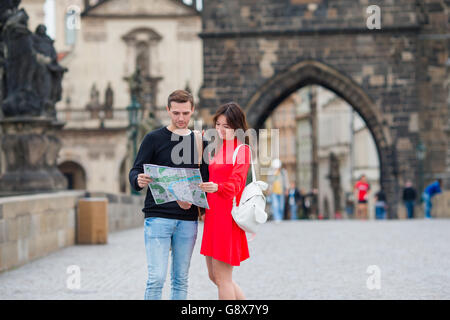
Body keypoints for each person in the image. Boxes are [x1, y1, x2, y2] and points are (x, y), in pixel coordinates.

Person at [129, 90, 209, 300]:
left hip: (187, 220)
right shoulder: (153, 138)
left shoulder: (200, 142)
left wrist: (191, 197)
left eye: (185, 113)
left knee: (180, 280)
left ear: (192, 110)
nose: (181, 118)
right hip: (158, 217)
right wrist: (138, 180)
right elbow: (135, 170)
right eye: (176, 113)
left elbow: (204, 181)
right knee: (156, 278)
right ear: (168, 111)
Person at [198, 102, 251, 300]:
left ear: (237, 127)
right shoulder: (220, 148)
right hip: (213, 216)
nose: (220, 130)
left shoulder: (242, 150)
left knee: (223, 278)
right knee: (215, 276)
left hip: (226, 218)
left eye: (226, 126)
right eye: (218, 124)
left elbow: (237, 183)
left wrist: (217, 187)